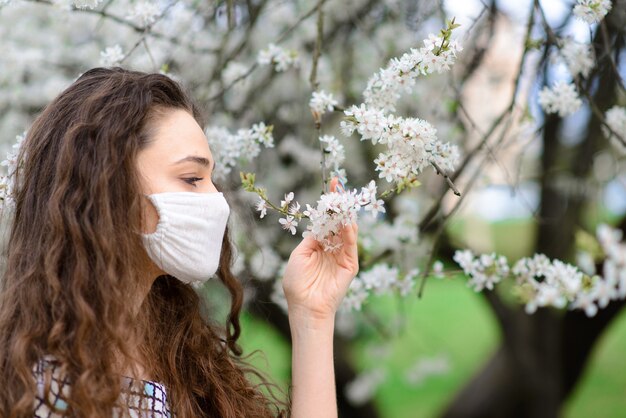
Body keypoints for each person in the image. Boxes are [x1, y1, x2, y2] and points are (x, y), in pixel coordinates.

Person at [0, 67, 359, 417]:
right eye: (191, 178)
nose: (216, 200)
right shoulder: (41, 389)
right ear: (107, 185)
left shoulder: (182, 359)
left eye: (210, 179)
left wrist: (312, 314)